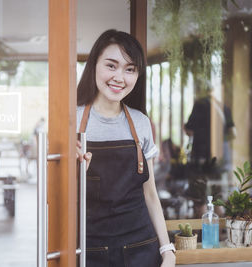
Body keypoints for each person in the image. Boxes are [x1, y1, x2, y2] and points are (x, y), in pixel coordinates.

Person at [76, 29, 175, 267]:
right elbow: (54, 195)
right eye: (111, 65)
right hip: (90, 249)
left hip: (141, 249)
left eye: (130, 69)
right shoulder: (72, 121)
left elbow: (150, 194)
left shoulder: (141, 123)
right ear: (94, 66)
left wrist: (167, 250)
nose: (120, 77)